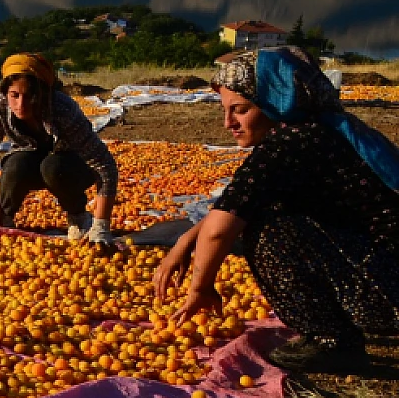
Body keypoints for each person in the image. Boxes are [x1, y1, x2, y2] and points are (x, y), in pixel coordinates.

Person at [154, 45, 399, 369]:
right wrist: (186, 240)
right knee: (261, 214)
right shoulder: (324, 129)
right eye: (225, 111)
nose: (228, 123)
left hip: (388, 288)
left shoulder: (287, 145)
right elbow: (237, 204)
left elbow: (220, 230)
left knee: (268, 232)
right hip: (387, 275)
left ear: (273, 102)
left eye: (240, 110)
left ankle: (333, 341)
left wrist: (201, 288)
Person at [0, 54, 120, 243]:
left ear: (43, 92)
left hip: (69, 167)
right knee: (15, 164)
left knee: (52, 167)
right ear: (5, 93)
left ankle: (78, 216)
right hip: (29, 163)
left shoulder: (63, 109)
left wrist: (101, 225)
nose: (21, 104)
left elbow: (105, 165)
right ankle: (3, 217)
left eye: (30, 95)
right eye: (15, 95)